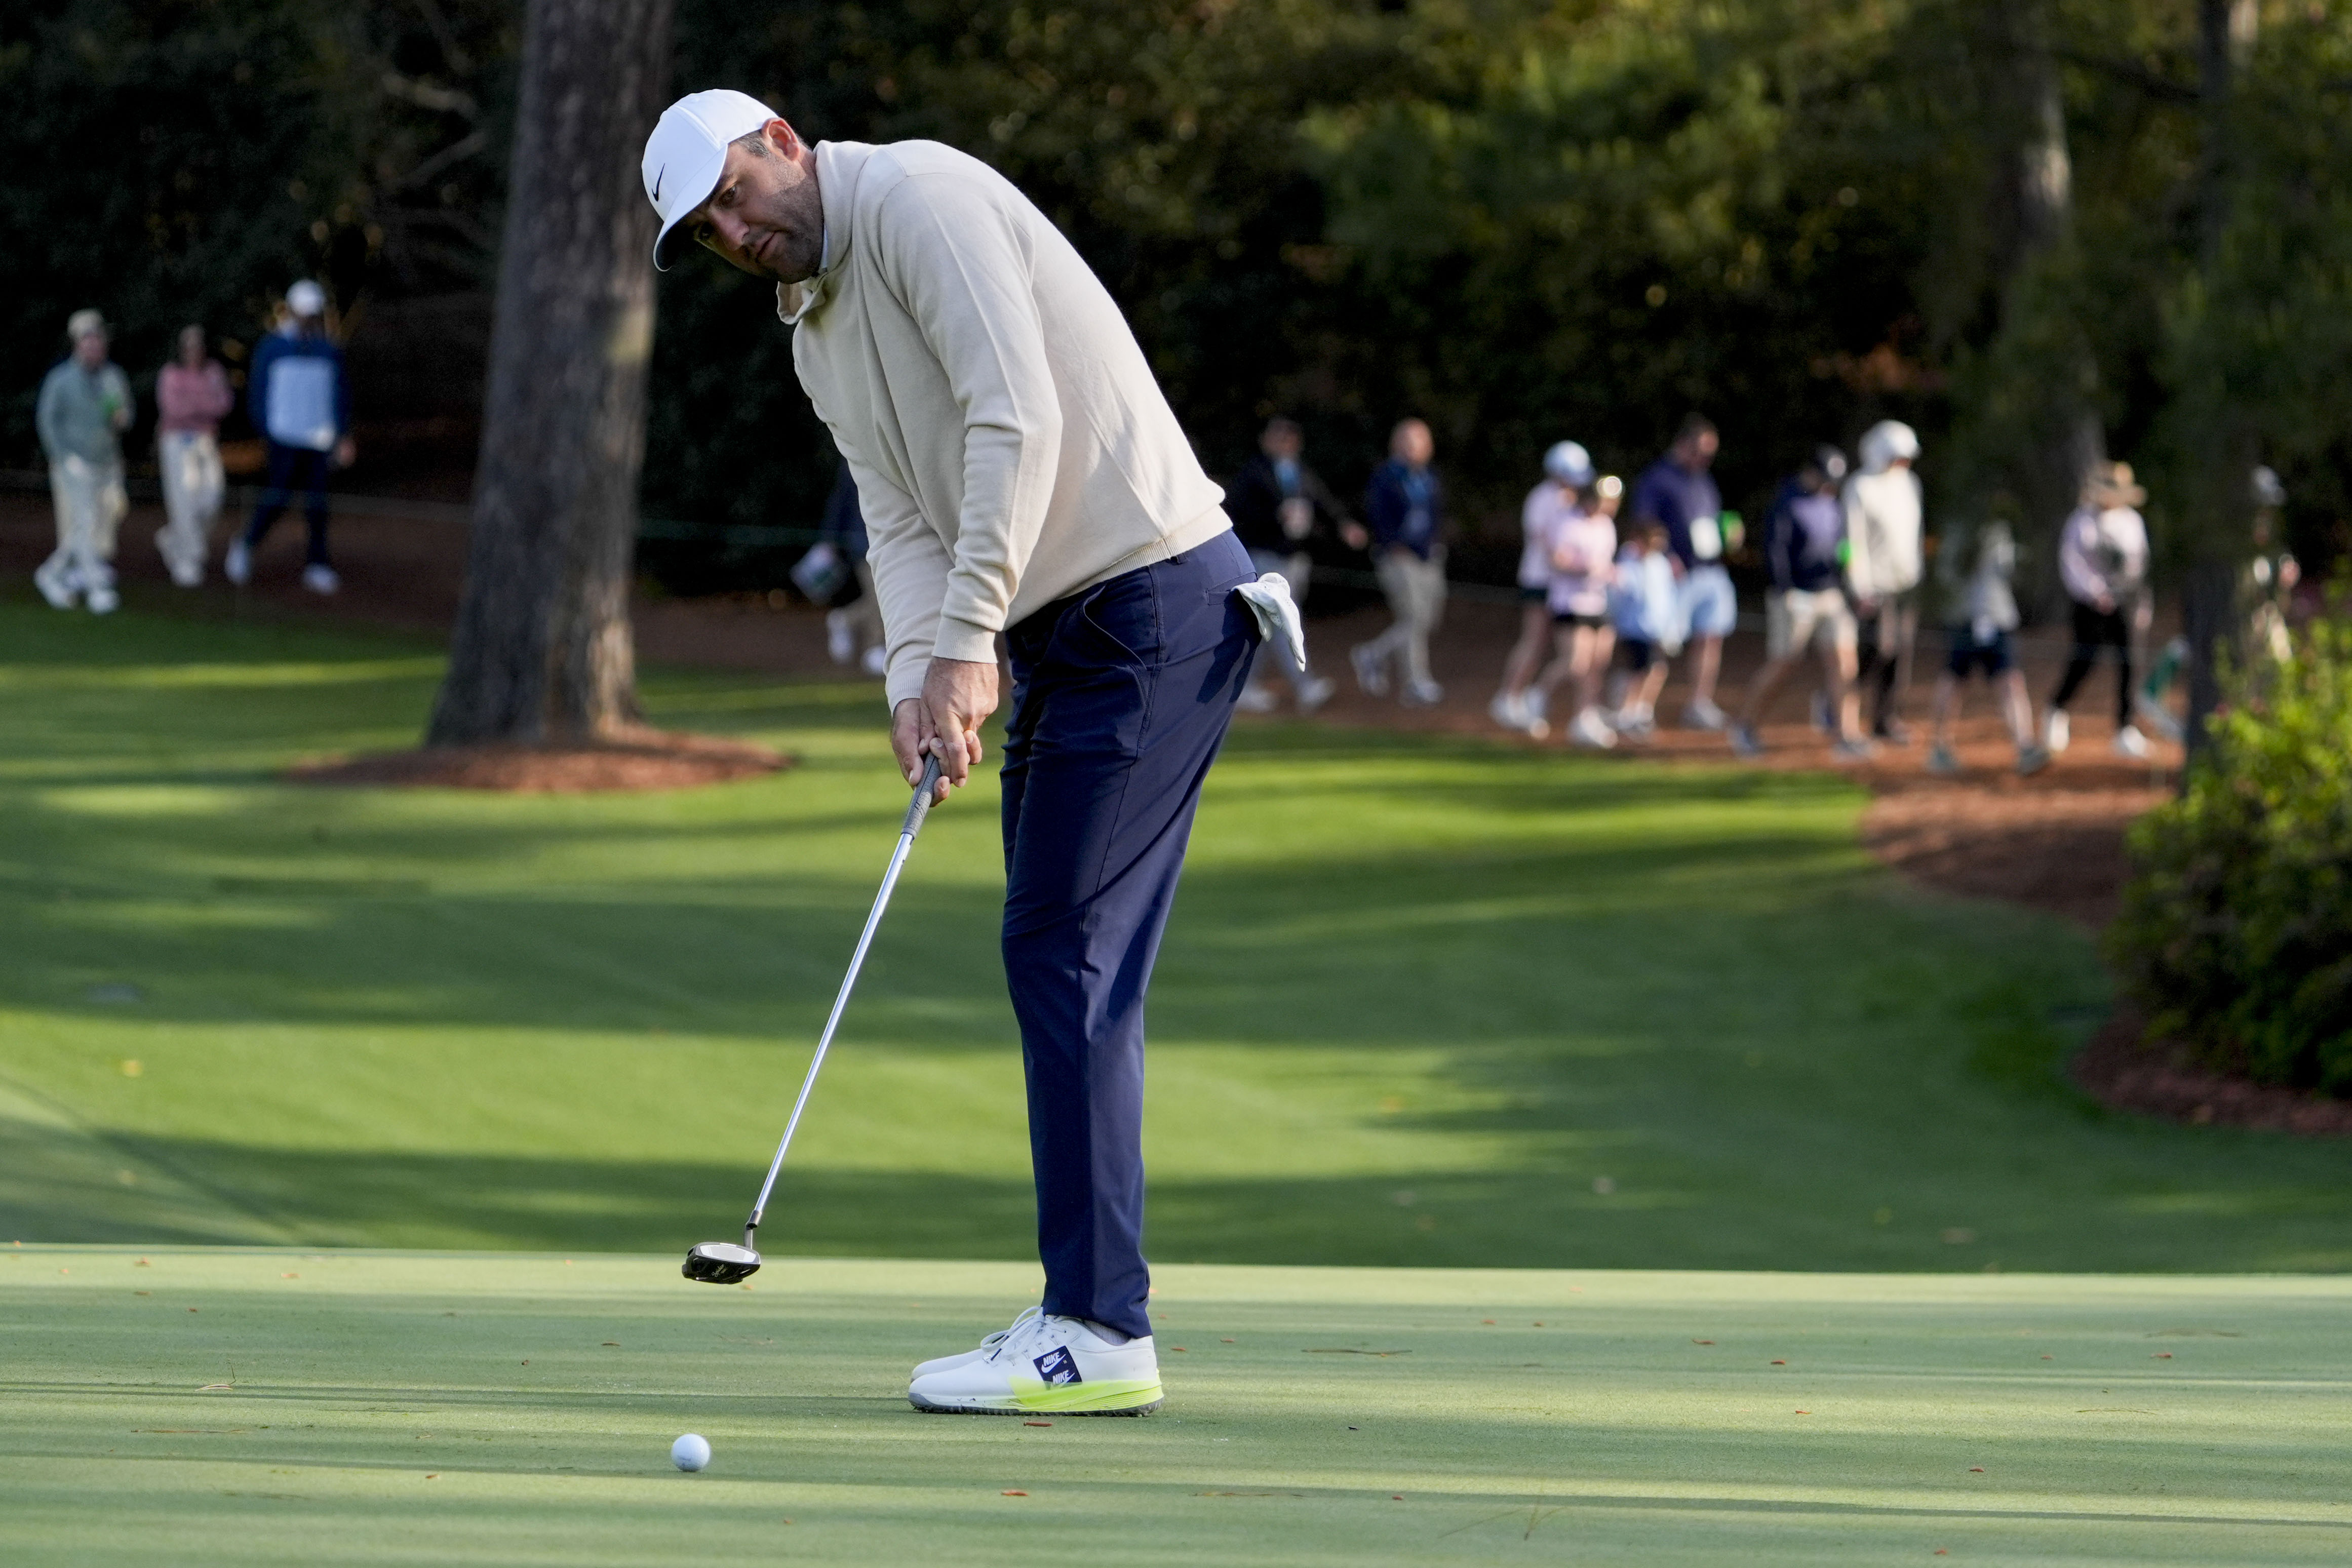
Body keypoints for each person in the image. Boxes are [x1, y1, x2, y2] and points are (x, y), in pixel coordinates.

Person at [646, 89, 1276, 1417]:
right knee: (1055, 947)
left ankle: (1099, 1325)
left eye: (731, 191)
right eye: (702, 226)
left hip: (1151, 600)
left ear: (784, 145)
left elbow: (1015, 420)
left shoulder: (919, 197)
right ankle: (1085, 1311)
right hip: (1071, 631)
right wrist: (913, 671)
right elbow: (900, 512)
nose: (730, 228)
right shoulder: (814, 333)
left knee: (1064, 948)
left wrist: (967, 640)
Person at [1729, 448, 1869, 760]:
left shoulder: (1832, 503)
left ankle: (1848, 735)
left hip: (1830, 593)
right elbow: (1775, 550)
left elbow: (1843, 546)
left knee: (1845, 663)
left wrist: (1851, 580)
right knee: (1785, 664)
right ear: (1811, 472)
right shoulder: (1787, 502)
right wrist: (1785, 591)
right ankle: (1745, 727)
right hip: (1794, 596)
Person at [225, 280, 355, 594]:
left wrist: (342, 435)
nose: (308, 319)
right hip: (283, 437)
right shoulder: (272, 348)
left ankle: (318, 563)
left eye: (313, 314)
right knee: (278, 496)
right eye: (303, 313)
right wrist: (267, 429)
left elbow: (340, 395)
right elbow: (258, 394)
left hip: (319, 439)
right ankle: (246, 545)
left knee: (317, 504)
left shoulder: (329, 350)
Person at [1226, 417, 1361, 713]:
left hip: (1295, 558)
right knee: (1285, 619)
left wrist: (1344, 526)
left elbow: (1323, 503)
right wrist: (1275, 517)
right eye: (1278, 437)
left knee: (1270, 625)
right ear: (1266, 440)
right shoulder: (1254, 472)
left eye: (1289, 438)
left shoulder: (1300, 472)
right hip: (1265, 556)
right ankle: (1305, 686)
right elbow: (1241, 512)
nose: (1284, 443)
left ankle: (1242, 686)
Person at [1925, 515, 2051, 777]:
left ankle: (2025, 747)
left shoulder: (1999, 527)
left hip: (1998, 617)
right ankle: (1939, 748)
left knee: (2010, 680)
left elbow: (2010, 572)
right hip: (1965, 619)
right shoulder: (1956, 531)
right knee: (1954, 681)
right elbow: (1948, 576)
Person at [1628, 414, 1733, 728]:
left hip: (1710, 570)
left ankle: (1700, 704)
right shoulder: (1657, 478)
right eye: (1700, 451)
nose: (1705, 459)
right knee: (1662, 641)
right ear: (1683, 444)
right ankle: (1638, 708)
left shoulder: (1703, 479)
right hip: (1677, 575)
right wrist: (1667, 556)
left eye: (1710, 454)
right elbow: (1644, 525)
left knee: (1711, 637)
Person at [2045, 461, 2152, 759]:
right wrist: (2096, 593)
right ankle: (2057, 710)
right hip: (2089, 605)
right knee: (2084, 660)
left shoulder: (2131, 521)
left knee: (2129, 663)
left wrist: (2138, 600)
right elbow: (2072, 563)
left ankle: (2125, 728)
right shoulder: (2081, 521)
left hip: (2124, 602)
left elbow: (2140, 564)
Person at [33, 309, 132, 615]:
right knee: (84, 521)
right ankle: (96, 589)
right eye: (88, 341)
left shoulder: (112, 377)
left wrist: (119, 418)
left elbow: (125, 417)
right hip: (73, 465)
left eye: (98, 340)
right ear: (77, 344)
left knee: (108, 516)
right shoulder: (60, 378)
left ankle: (53, 573)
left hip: (107, 464)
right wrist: (63, 457)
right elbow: (47, 421)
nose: (94, 347)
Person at [1493, 441, 1592, 736]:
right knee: (1535, 641)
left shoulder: (1570, 499)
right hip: (1540, 580)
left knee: (1559, 647)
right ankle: (1509, 697)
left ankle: (1526, 698)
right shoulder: (1543, 498)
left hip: (1562, 583)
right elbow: (1545, 540)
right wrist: (1569, 564)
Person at [1350, 418, 1448, 707]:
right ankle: (1415, 682)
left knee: (1427, 619)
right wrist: (1394, 546)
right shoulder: (1386, 476)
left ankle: (1373, 654)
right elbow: (1378, 515)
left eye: (1419, 440)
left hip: (1428, 556)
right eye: (1407, 439)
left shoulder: (1429, 477)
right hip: (1398, 557)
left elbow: (1434, 516)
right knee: (1414, 619)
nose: (1413, 446)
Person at [1844, 420, 1925, 742]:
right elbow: (1852, 542)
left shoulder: (1910, 484)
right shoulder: (1860, 487)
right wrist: (1859, 586)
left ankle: (1885, 718)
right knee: (1876, 650)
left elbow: (1914, 534)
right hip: (1874, 587)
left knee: (1899, 654)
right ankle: (1838, 701)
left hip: (1906, 584)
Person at [1532, 469, 1621, 749]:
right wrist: (1584, 568)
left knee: (1596, 664)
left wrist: (1610, 573)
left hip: (1598, 602)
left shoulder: (1606, 526)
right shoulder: (1569, 522)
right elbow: (1558, 560)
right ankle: (1536, 696)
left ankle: (1585, 717)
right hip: (1570, 602)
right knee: (1575, 663)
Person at [154, 325, 234, 587]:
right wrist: (203, 406)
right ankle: (188, 559)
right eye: (189, 346)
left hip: (205, 441)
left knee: (212, 498)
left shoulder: (214, 372)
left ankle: (174, 538)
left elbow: (223, 404)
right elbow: (172, 409)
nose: (194, 352)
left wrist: (194, 407)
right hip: (176, 442)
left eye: (198, 346)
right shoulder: (171, 374)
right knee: (184, 501)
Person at [1603, 520, 1682, 740]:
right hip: (1634, 629)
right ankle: (1628, 713)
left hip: (1654, 629)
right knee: (1642, 671)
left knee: (1655, 670)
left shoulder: (1660, 564)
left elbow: (1666, 598)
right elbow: (1623, 595)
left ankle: (1640, 710)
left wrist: (1671, 628)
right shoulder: (1628, 563)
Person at [812, 462, 889, 677]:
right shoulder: (853, 459)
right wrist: (829, 540)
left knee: (884, 598)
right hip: (863, 544)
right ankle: (873, 649)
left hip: (892, 541)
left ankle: (845, 619)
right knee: (879, 598)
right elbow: (841, 502)